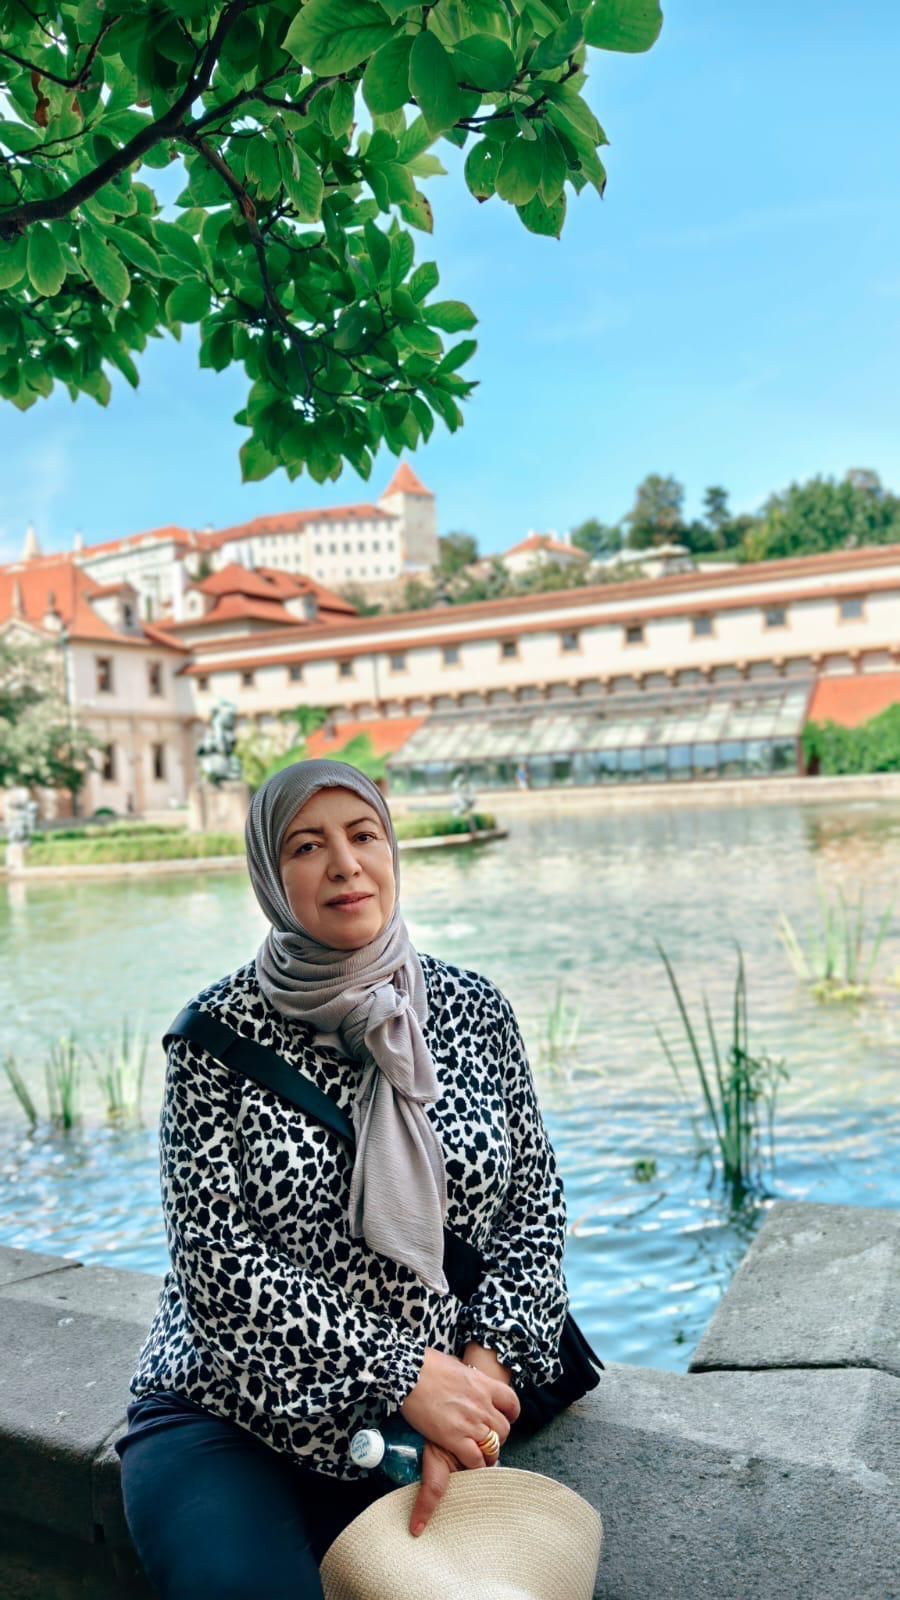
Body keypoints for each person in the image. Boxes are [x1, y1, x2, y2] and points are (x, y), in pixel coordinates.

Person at [114, 758, 569, 1600]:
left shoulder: (475, 1010)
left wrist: (475, 1399)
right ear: (270, 874)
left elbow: (532, 1216)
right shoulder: (214, 1038)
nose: (345, 865)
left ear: (391, 848)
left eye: (363, 835)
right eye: (306, 846)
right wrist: (404, 1373)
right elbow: (215, 1263)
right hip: (231, 1413)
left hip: (426, 1414)